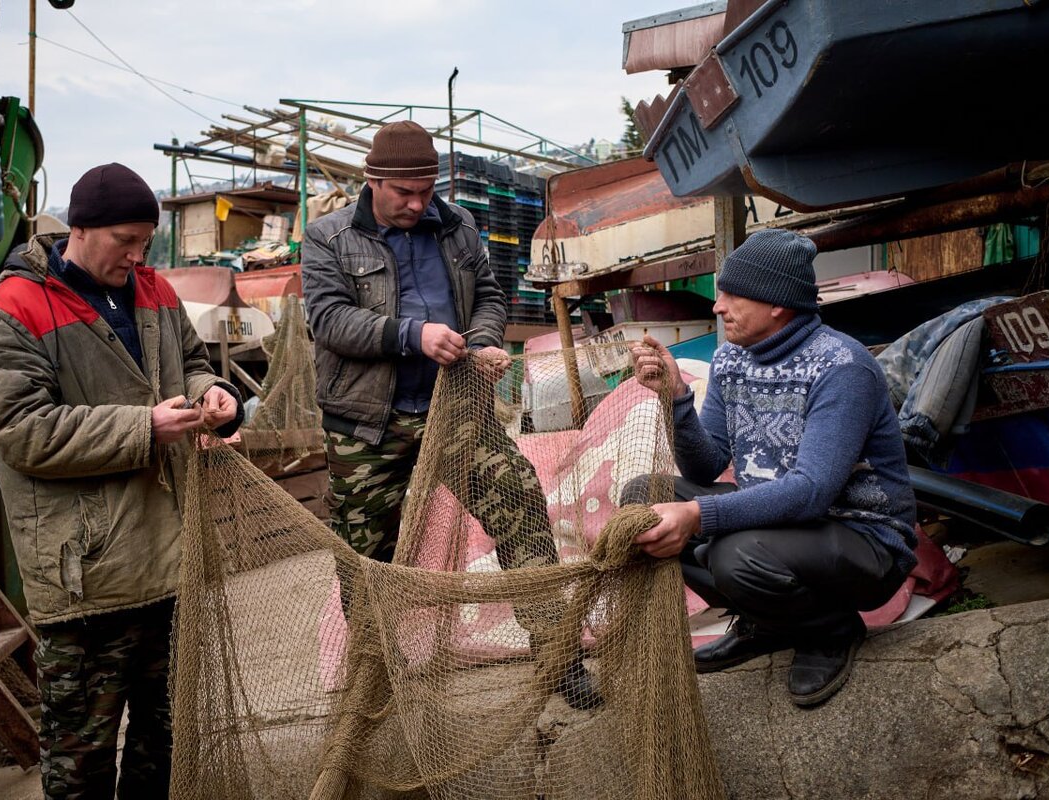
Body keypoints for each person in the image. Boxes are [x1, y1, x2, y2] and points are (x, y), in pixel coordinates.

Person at [301, 121, 598, 709]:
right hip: (368, 423)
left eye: (426, 190)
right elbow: (329, 320)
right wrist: (413, 336)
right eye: (403, 193)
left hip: (453, 405)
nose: (417, 204)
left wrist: (485, 339)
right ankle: (373, 680)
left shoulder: (457, 225)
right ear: (373, 181)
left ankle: (559, 659)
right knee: (365, 555)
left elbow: (490, 294)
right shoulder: (327, 237)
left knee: (517, 498)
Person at [0, 163, 243, 798]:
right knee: (81, 761)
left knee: (165, 747)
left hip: (171, 563)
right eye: (125, 239)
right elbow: (22, 431)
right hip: (87, 575)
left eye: (145, 240)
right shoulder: (13, 308)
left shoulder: (154, 291)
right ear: (81, 229)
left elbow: (195, 364)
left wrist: (217, 396)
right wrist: (144, 428)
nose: (137, 253)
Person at [625, 228, 917, 707]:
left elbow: (812, 491)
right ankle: (767, 622)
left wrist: (698, 516)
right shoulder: (732, 359)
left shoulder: (842, 366)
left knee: (734, 554)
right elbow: (707, 463)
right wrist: (675, 397)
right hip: (781, 528)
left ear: (777, 302)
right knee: (643, 500)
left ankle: (829, 632)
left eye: (731, 295)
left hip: (863, 540)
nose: (718, 307)